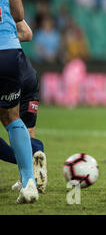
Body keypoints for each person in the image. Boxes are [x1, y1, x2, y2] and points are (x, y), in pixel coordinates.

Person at [0, 0, 39, 203]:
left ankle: (36, 151)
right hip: (8, 52)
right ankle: (29, 183)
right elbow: (19, 15)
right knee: (12, 117)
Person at [0, 19, 48, 194]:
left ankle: (32, 158)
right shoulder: (9, 10)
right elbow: (27, 33)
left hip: (8, 72)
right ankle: (30, 177)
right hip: (26, 73)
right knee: (26, 131)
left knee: (10, 119)